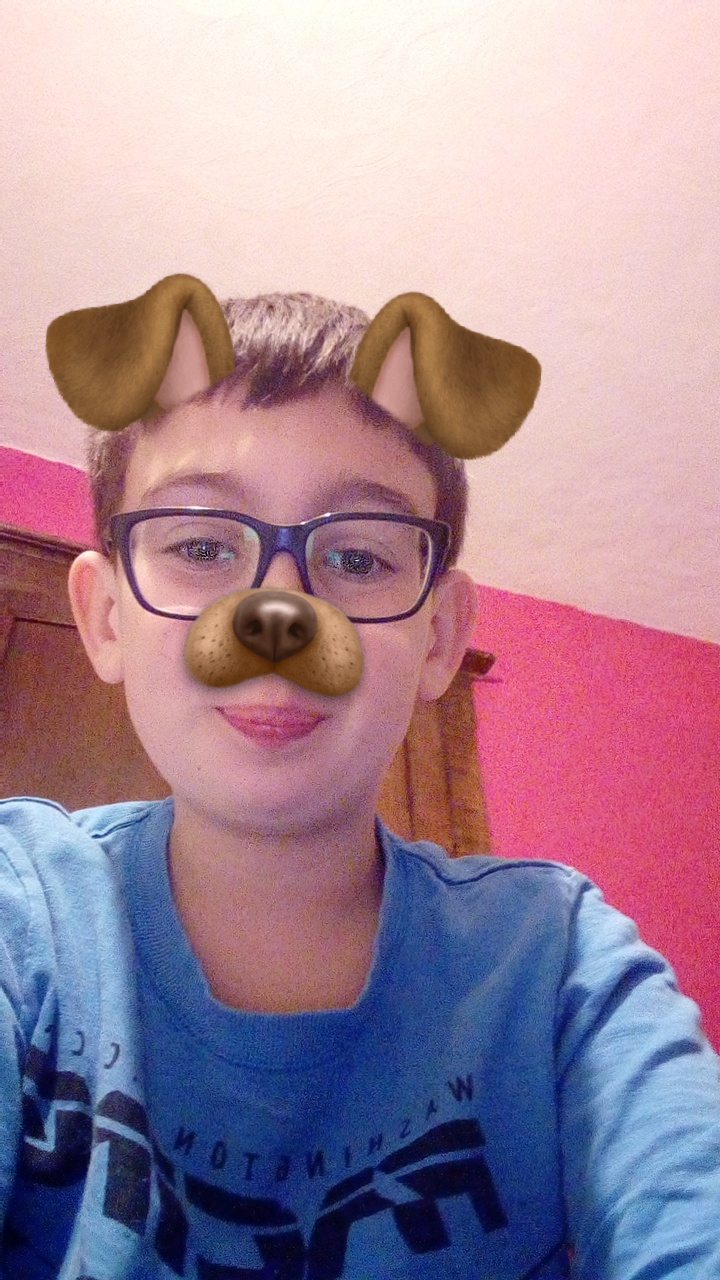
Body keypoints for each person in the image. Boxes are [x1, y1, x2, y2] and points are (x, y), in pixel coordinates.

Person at [1, 289, 719, 1279]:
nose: (279, 616)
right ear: (106, 618)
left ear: (440, 637)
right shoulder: (24, 915)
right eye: (201, 546)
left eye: (356, 555)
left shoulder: (559, 963)